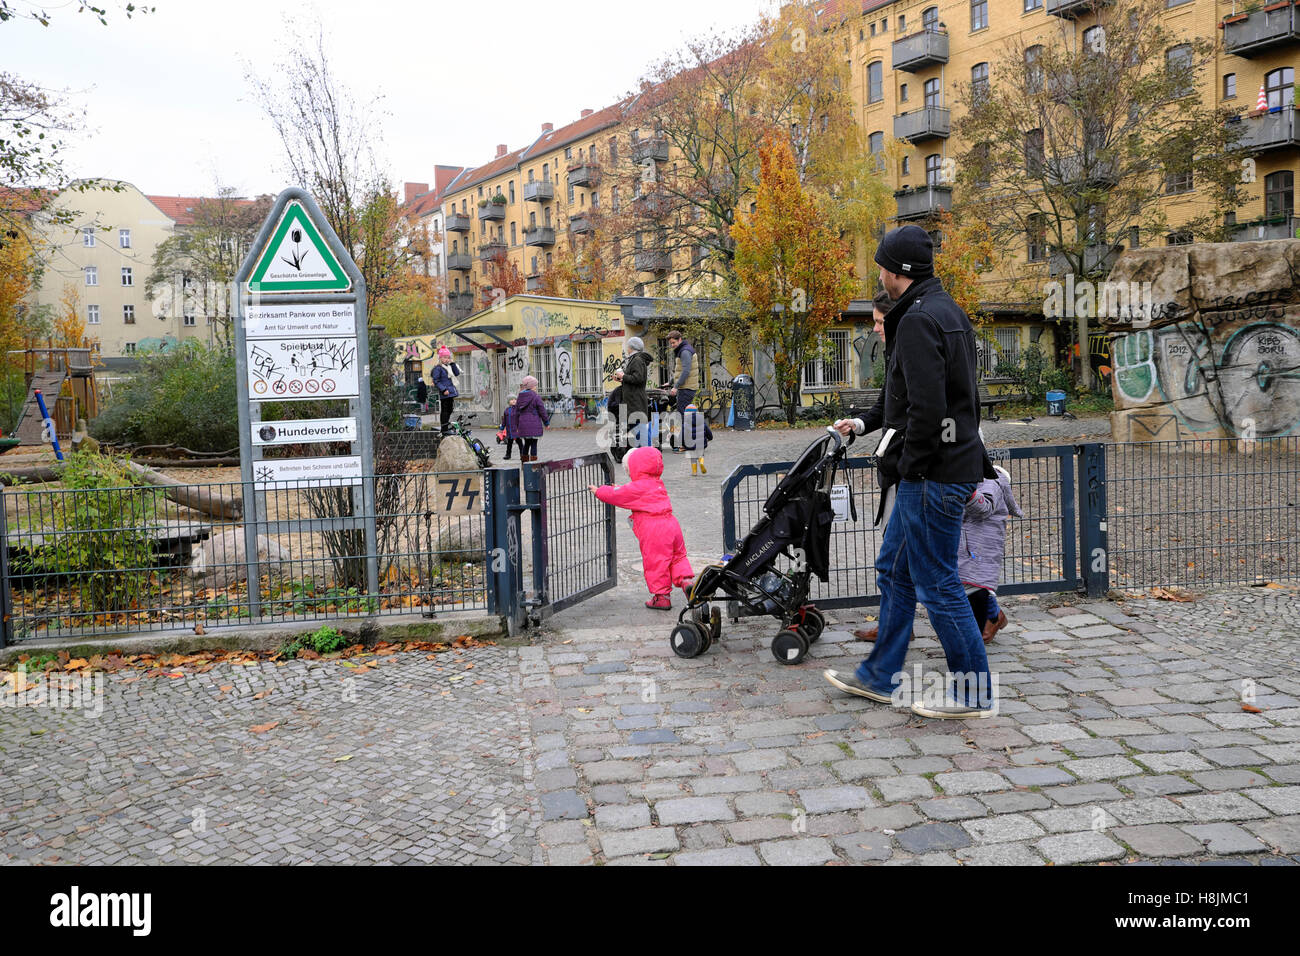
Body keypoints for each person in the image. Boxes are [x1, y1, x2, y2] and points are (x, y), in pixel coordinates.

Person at [823, 223, 998, 720]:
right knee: (896, 571)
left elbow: (927, 409)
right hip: (943, 467)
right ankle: (881, 676)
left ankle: (973, 691)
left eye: (882, 263)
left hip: (934, 475)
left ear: (897, 270)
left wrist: (913, 468)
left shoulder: (920, 320)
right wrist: (864, 423)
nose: (878, 269)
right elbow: (912, 401)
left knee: (937, 582)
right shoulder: (946, 312)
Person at [588, 446, 693, 610]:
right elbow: (632, 492)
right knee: (677, 557)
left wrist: (599, 490)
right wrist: (621, 487)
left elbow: (617, 495)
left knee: (656, 562)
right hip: (672, 525)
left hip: (654, 531)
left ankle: (662, 597)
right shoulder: (657, 483)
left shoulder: (637, 488)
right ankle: (687, 581)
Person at [849, 289, 894, 643]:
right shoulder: (897, 356)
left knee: (900, 559)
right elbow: (885, 407)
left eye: (879, 321)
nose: (876, 329)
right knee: (900, 559)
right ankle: (894, 628)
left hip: (911, 473)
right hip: (899, 471)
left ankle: (987, 612)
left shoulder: (913, 350)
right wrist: (858, 425)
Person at [960, 465, 1021, 643]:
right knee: (968, 583)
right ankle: (994, 616)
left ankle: (987, 623)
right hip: (963, 541)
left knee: (974, 584)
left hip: (978, 545)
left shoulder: (990, 482)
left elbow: (983, 507)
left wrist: (962, 490)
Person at [612, 336, 653, 448]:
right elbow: (634, 379)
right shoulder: (637, 359)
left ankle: (647, 452)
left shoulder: (637, 360)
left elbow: (638, 379)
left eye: (628, 346)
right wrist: (622, 379)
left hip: (636, 401)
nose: (627, 348)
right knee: (639, 428)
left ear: (631, 347)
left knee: (640, 428)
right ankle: (645, 452)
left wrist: (624, 375)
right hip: (635, 400)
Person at [664, 330, 696, 452]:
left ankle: (685, 445)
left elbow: (686, 371)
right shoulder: (683, 350)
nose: (672, 345)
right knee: (685, 416)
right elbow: (680, 371)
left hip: (686, 388)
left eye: (673, 343)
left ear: (680, 340)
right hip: (686, 387)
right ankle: (690, 442)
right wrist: (670, 382)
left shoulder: (685, 352)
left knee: (682, 417)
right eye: (670, 343)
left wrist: (676, 386)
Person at [514, 375, 550, 463]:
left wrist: (517, 425)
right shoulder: (536, 397)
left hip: (523, 425)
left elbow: (516, 412)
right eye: (535, 385)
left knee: (526, 444)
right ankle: (533, 466)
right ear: (532, 386)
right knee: (534, 444)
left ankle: (524, 464)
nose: (536, 387)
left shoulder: (519, 397)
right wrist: (546, 423)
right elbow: (542, 411)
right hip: (534, 424)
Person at [431, 347, 461, 435]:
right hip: (445, 391)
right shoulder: (438, 368)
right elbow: (436, 381)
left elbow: (457, 373)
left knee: (450, 409)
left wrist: (452, 363)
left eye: (448, 357)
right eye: (444, 357)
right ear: (440, 358)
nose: (446, 359)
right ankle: (444, 428)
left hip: (451, 391)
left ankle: (446, 426)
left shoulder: (449, 366)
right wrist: (443, 389)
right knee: (445, 410)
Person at [681, 401, 711, 475]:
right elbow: (708, 431)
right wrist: (710, 437)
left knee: (693, 457)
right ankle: (701, 463)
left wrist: (683, 444)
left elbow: (682, 435)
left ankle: (694, 472)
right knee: (701, 455)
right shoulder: (702, 421)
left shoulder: (685, 424)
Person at [500, 394, 522, 461]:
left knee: (519, 442)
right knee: (509, 443)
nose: (514, 401)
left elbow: (521, 418)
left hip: (516, 430)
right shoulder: (506, 410)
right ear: (508, 401)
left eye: (515, 399)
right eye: (512, 399)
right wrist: (502, 427)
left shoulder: (517, 409)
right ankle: (508, 455)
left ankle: (523, 455)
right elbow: (504, 420)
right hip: (509, 430)